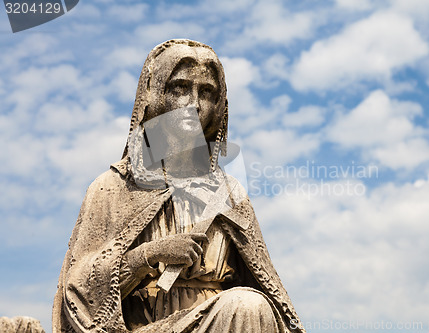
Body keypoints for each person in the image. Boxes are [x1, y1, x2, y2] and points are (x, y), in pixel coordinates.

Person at [52, 39, 305, 333]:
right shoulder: (114, 187)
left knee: (252, 307)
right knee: (246, 306)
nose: (194, 105)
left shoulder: (230, 193)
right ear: (155, 96)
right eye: (179, 88)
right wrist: (149, 255)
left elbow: (264, 283)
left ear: (219, 105)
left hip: (226, 319)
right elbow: (80, 289)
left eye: (207, 92)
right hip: (143, 325)